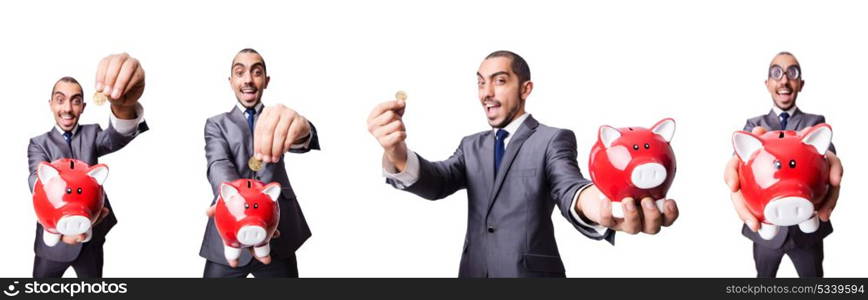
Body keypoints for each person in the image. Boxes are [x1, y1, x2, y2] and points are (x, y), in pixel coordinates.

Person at [366, 50, 679, 277]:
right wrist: (397, 152)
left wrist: (600, 206)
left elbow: (568, 185)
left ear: (526, 89)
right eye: (480, 83)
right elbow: (438, 181)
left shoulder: (552, 139)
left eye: (499, 81)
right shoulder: (471, 145)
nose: (486, 93)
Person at [200, 48, 319, 278]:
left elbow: (302, 140)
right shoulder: (216, 124)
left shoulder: (281, 119)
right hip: (228, 234)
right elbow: (218, 163)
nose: (248, 80)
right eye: (239, 72)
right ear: (231, 81)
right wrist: (234, 202)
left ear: (266, 80)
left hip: (278, 232)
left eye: (256, 72)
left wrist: (304, 131)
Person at [27, 53, 149, 277]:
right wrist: (56, 224)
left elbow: (116, 137)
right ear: (51, 104)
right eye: (60, 99)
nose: (67, 108)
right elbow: (35, 179)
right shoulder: (39, 143)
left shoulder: (92, 133)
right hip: (52, 241)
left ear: (83, 107)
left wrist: (124, 107)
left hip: (93, 232)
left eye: (75, 101)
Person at [723, 51, 843, 278]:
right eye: (776, 73)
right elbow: (739, 162)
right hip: (765, 231)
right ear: (767, 83)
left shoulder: (814, 123)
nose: (784, 80)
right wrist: (734, 168)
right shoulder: (754, 125)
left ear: (801, 84)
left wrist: (829, 159)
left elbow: (827, 155)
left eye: (792, 73)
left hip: (808, 231)